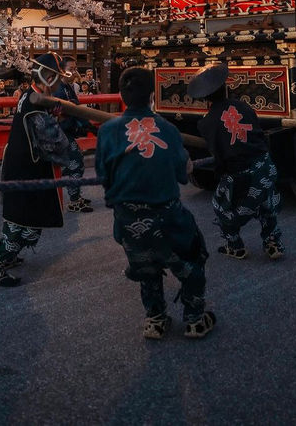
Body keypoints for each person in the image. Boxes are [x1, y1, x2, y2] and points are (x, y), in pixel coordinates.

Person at [95, 66, 216, 340]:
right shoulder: (167, 129)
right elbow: (181, 172)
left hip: (127, 221)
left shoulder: (107, 131)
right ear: (153, 95)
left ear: (121, 96)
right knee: (194, 257)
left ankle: (155, 319)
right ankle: (195, 318)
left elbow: (104, 176)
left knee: (146, 266)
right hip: (167, 218)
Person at [0, 52, 70, 287]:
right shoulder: (35, 104)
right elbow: (56, 143)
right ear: (48, 76)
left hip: (20, 164)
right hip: (27, 168)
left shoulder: (29, 96)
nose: (60, 82)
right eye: (57, 77)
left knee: (22, 218)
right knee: (23, 220)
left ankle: (5, 257)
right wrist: (65, 138)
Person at [189, 62, 285, 260]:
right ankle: (273, 243)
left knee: (221, 205)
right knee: (266, 202)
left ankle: (235, 246)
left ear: (205, 98)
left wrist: (211, 169)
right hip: (264, 166)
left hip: (240, 173)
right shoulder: (244, 107)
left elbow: (220, 157)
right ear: (226, 88)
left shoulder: (206, 123)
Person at [55, 56, 93, 213]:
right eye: (71, 69)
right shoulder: (58, 88)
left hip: (66, 132)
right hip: (58, 134)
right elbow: (68, 111)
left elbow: (76, 108)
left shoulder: (68, 87)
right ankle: (74, 200)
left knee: (75, 162)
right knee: (76, 161)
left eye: (75, 69)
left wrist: (87, 125)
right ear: (61, 70)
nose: (74, 72)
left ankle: (74, 195)